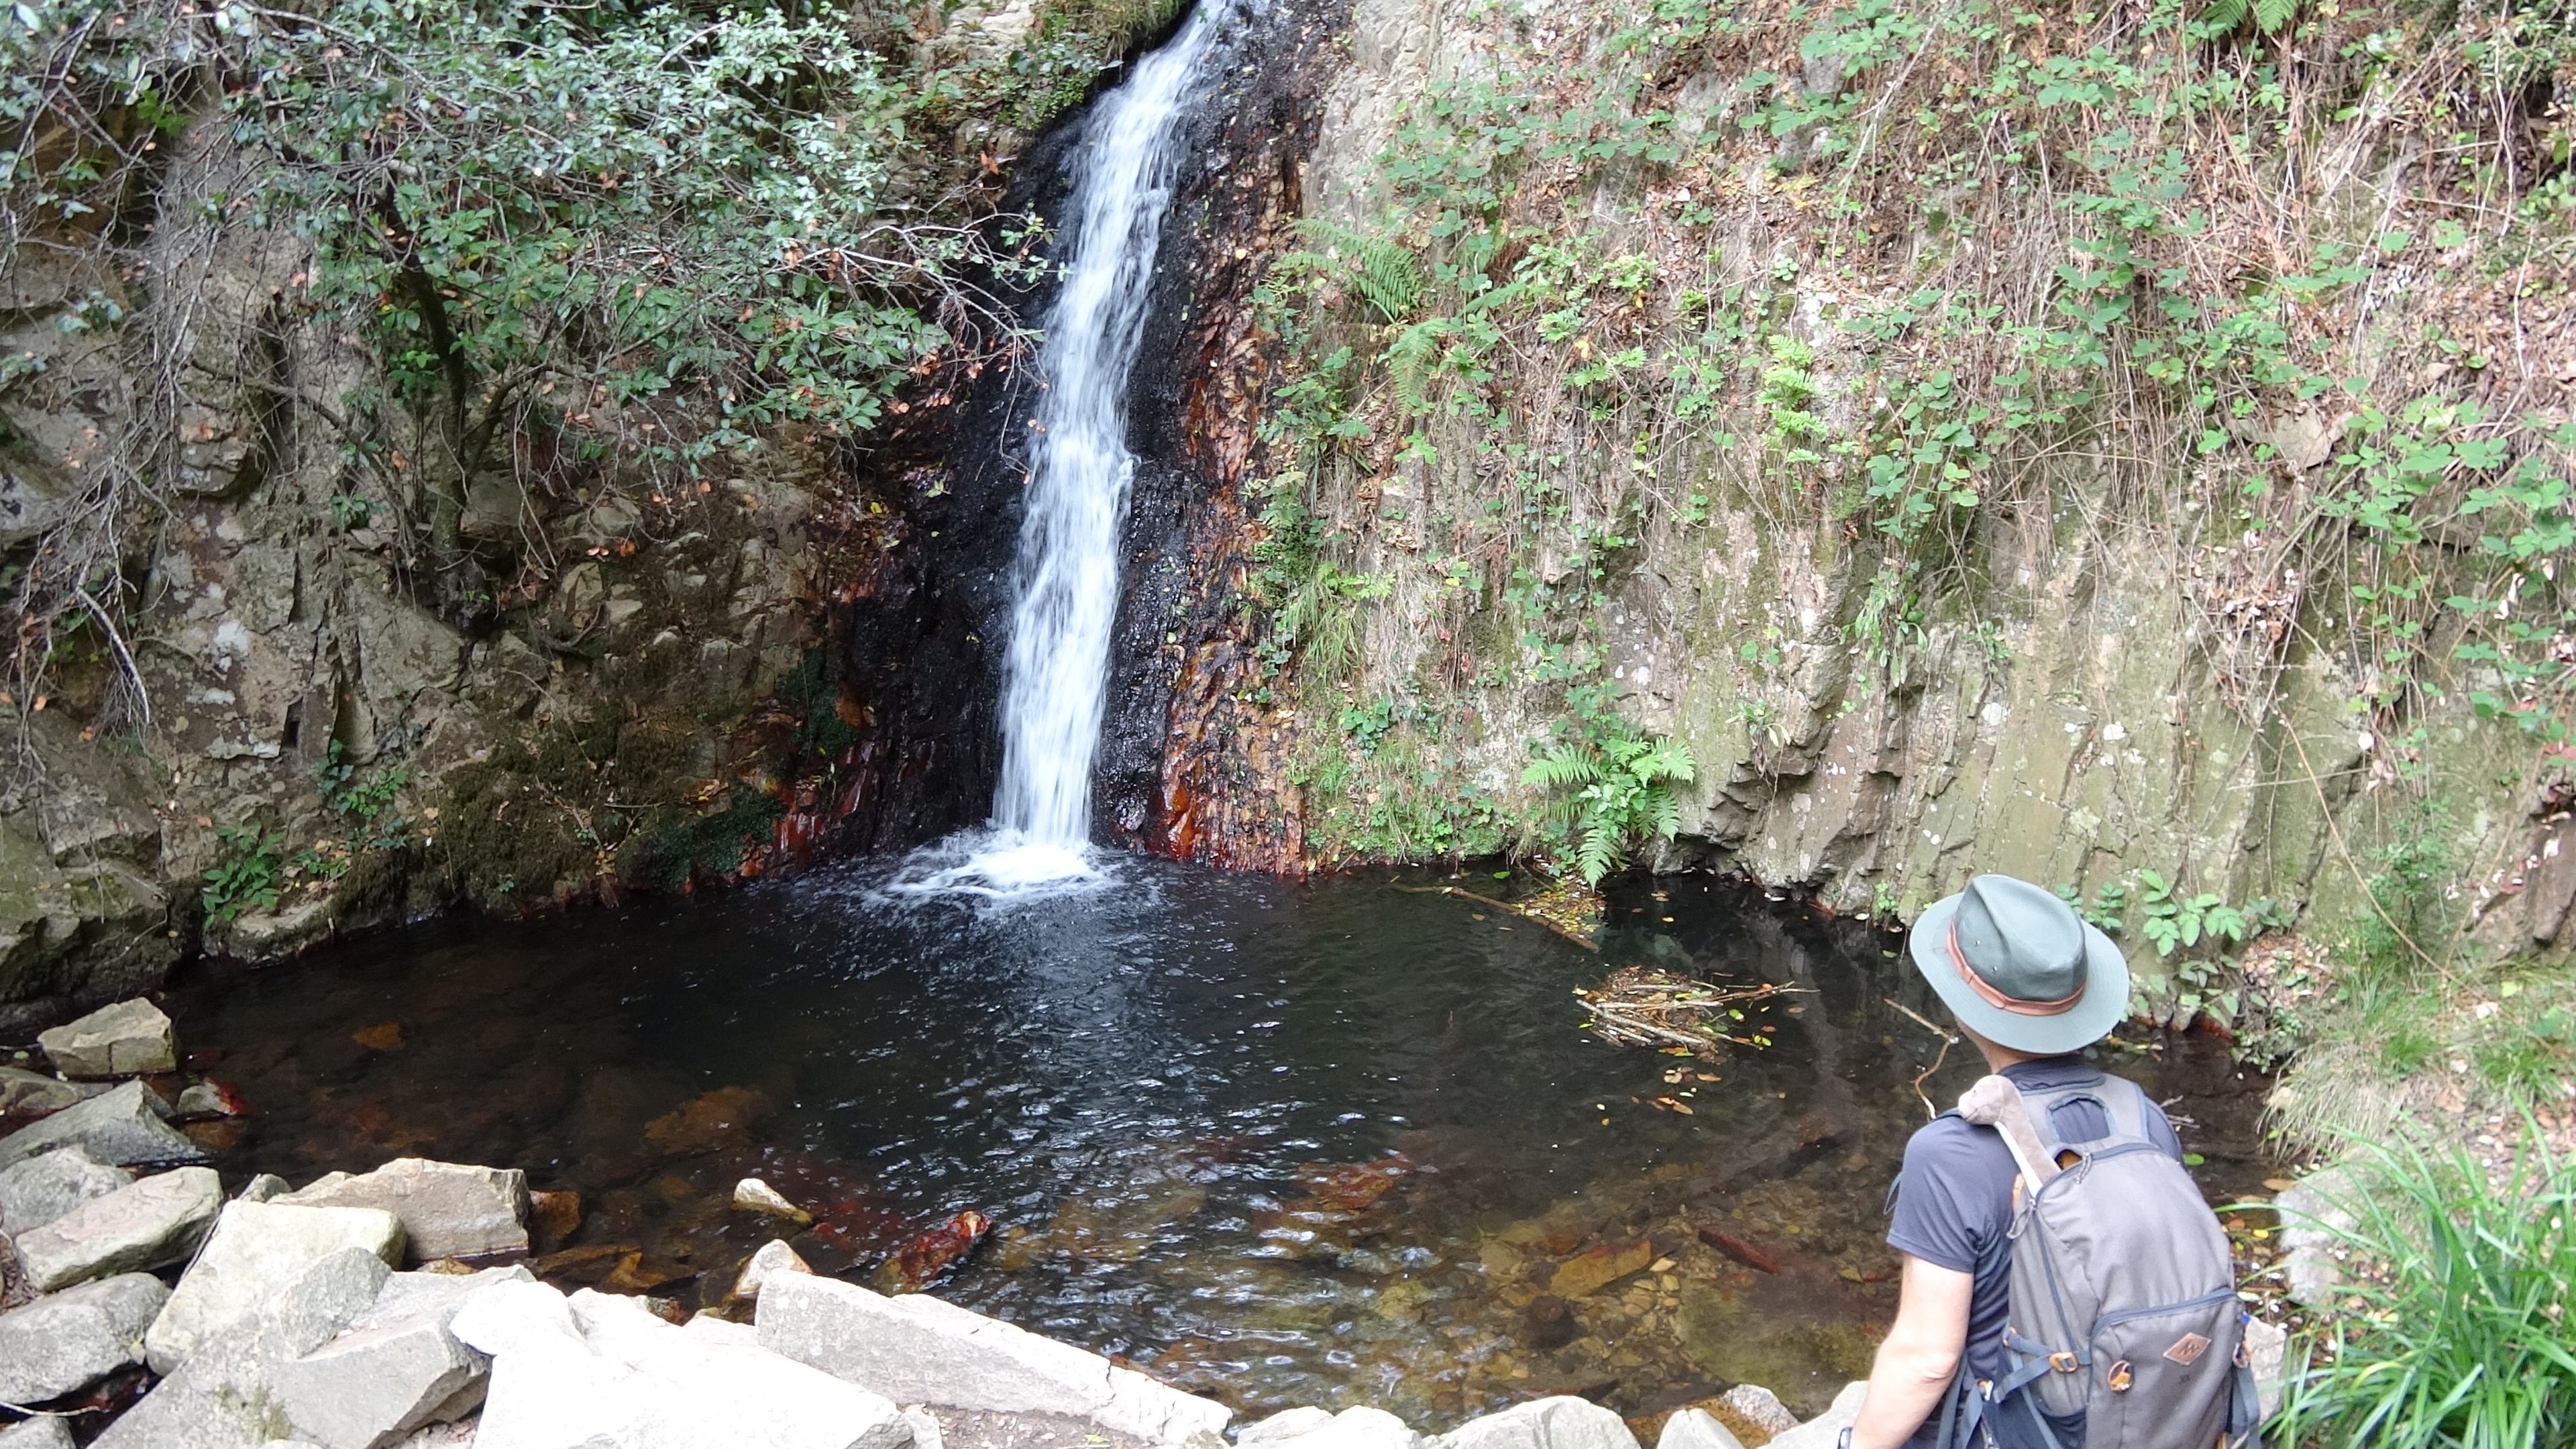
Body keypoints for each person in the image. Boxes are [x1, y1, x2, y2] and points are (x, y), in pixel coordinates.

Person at [1843, 874, 2188, 1449]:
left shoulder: (1949, 1154)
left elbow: (1927, 1359)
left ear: (1965, 1012)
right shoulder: (2143, 1117)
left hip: (2017, 1428)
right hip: (2136, 1413)